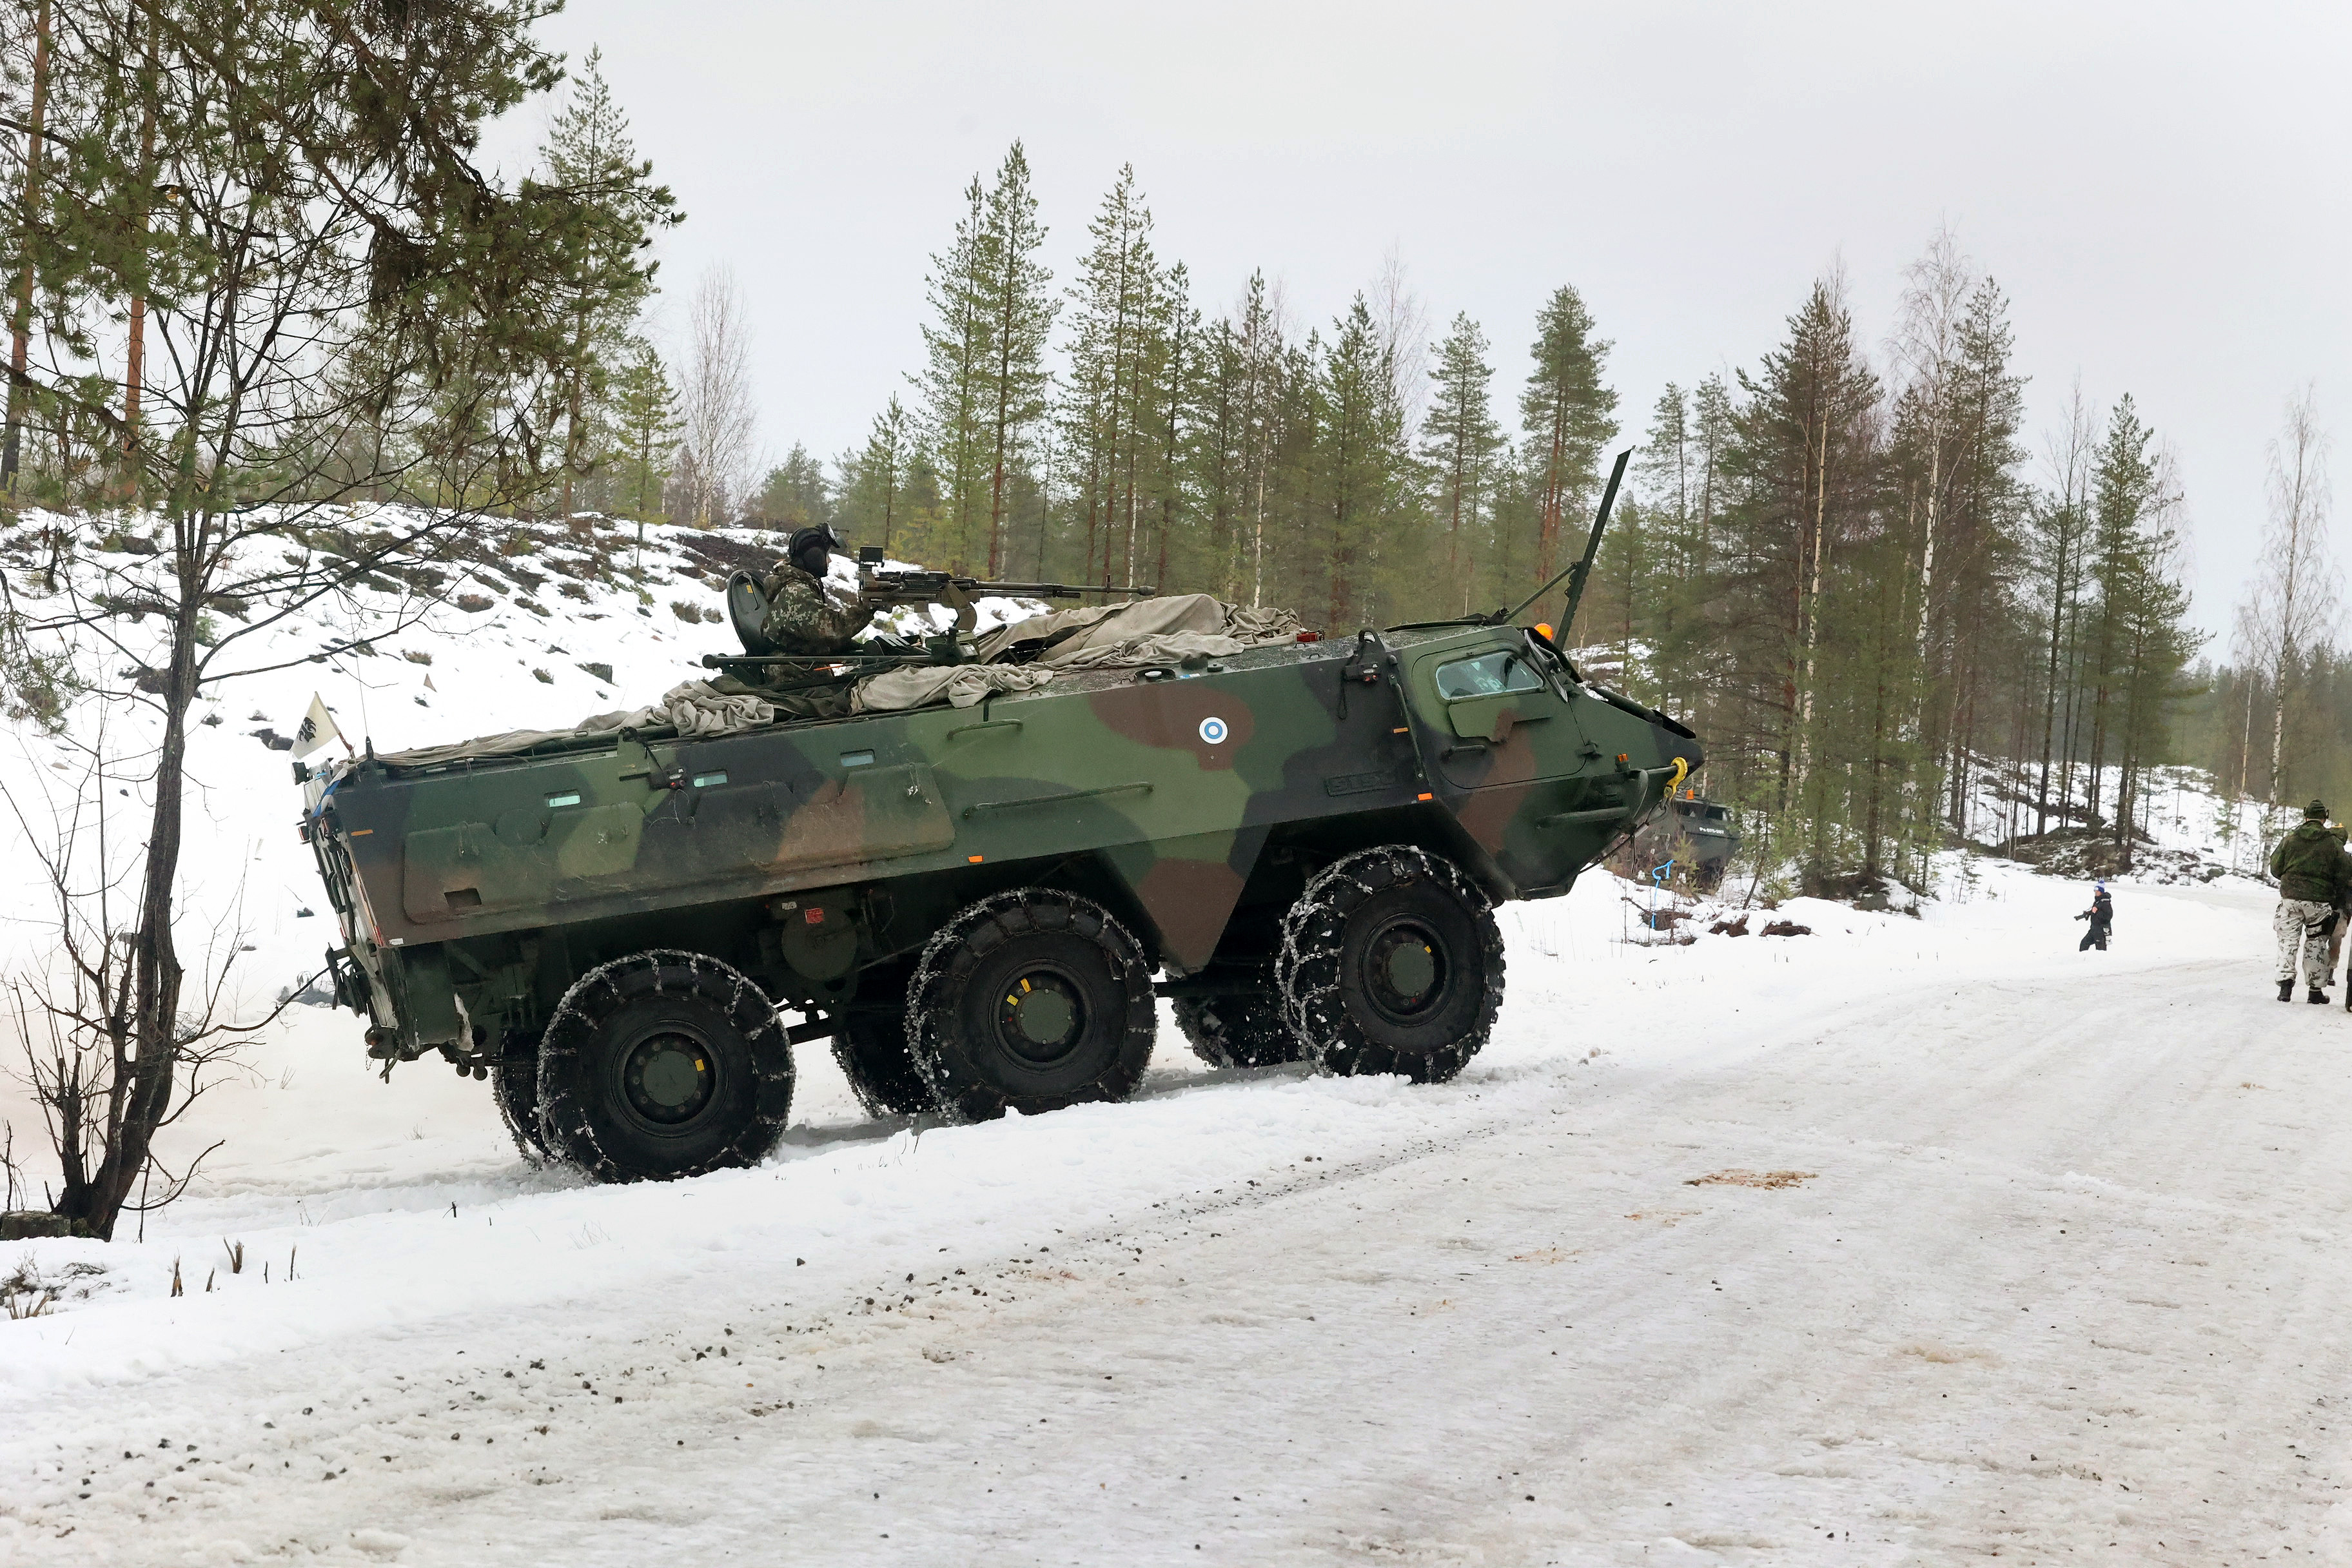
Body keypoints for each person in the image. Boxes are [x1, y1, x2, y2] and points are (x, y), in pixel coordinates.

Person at [2268, 799, 2352, 1003]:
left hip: (2291, 900)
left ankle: (2285, 987)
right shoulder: (2332, 843)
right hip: (2319, 903)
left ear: (2306, 816)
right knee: (2316, 943)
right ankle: (2315, 992)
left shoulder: (2290, 839)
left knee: (2288, 941)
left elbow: (2275, 868)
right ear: (2324, 818)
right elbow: (2344, 873)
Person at [758, 523, 876, 656]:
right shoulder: (796, 593)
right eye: (827, 554)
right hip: (797, 674)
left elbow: (816, 634)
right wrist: (867, 607)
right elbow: (832, 630)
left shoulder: (797, 586)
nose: (829, 560)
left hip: (804, 668)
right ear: (814, 556)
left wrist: (859, 649)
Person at [2074, 882, 2113, 951]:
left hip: (2101, 931)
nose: (2096, 893)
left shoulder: (2106, 903)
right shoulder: (2098, 902)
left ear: (2101, 892)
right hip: (2093, 930)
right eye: (2095, 891)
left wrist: (2097, 912)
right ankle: (2083, 960)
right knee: (2084, 943)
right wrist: (2086, 914)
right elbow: (2093, 911)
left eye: (2097, 891)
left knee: (2100, 950)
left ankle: (2100, 961)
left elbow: (2108, 917)